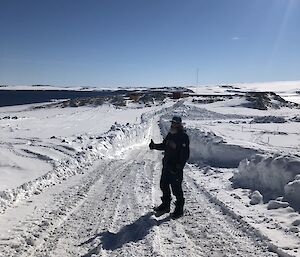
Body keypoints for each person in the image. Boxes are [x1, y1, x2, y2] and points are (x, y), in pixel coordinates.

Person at [149, 116, 190, 219]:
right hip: (167, 165)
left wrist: (179, 166)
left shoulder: (183, 136)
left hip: (175, 168)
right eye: (172, 123)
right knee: (163, 185)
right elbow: (164, 145)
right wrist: (154, 146)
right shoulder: (171, 134)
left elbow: (185, 154)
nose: (173, 125)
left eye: (175, 123)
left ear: (180, 124)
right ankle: (165, 205)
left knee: (176, 189)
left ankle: (179, 209)